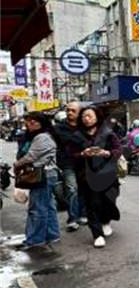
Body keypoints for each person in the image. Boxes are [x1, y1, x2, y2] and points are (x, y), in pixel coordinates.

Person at [13, 111, 61, 251]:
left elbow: (31, 156)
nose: (29, 124)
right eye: (27, 121)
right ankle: (52, 234)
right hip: (47, 174)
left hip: (42, 175)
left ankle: (35, 239)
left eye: (33, 121)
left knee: (37, 208)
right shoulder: (42, 135)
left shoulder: (42, 137)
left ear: (41, 123)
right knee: (48, 207)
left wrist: (17, 164)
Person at [77, 106, 122, 248]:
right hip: (87, 175)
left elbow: (118, 150)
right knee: (92, 203)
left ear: (97, 117)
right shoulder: (77, 135)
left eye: (89, 116)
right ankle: (97, 234)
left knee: (108, 200)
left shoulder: (108, 133)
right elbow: (70, 154)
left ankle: (106, 221)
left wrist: (106, 153)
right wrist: (82, 154)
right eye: (84, 116)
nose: (86, 119)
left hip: (107, 174)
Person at [52, 101, 86, 231]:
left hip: (84, 163)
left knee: (83, 189)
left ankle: (83, 214)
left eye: (73, 110)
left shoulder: (85, 126)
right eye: (68, 110)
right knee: (72, 189)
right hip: (67, 163)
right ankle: (72, 218)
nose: (70, 112)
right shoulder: (58, 128)